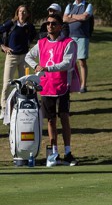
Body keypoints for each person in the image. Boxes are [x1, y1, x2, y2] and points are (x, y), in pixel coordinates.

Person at [25, 14, 80, 166]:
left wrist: (47, 67)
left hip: (62, 85)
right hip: (46, 85)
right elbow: (28, 56)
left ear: (60, 26)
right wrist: (36, 66)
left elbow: (67, 63)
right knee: (51, 120)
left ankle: (68, 152)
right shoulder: (42, 43)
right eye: (48, 23)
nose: (50, 26)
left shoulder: (68, 43)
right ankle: (54, 153)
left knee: (64, 117)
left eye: (53, 23)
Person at [0, 5, 37, 120]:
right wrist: (3, 46)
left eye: (24, 11)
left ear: (27, 14)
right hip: (11, 57)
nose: (22, 13)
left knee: (24, 83)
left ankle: (22, 106)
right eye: (20, 11)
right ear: (17, 13)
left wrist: (28, 44)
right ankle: (3, 108)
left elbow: (33, 36)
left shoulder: (29, 26)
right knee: (7, 83)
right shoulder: (11, 24)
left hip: (24, 57)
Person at [63, 0, 93, 93]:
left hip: (82, 37)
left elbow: (85, 17)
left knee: (82, 62)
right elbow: (64, 19)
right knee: (69, 62)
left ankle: (83, 86)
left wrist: (71, 16)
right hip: (70, 37)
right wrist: (77, 17)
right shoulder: (70, 5)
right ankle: (70, 84)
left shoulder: (88, 5)